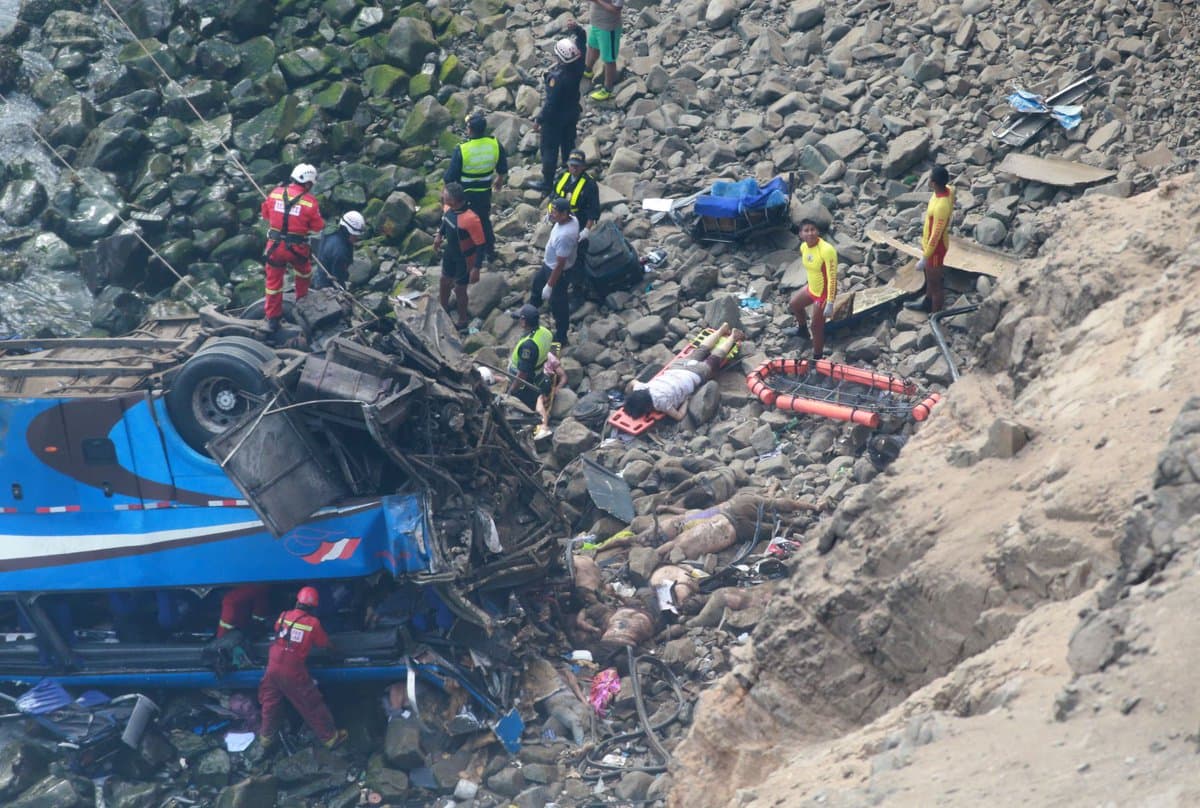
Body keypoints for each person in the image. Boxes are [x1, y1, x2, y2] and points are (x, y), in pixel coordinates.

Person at [258, 586, 347, 752]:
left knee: (270, 702)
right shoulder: (313, 623)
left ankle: (266, 738)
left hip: (272, 666)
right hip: (292, 672)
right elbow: (324, 644)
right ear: (314, 607)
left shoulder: (283, 615)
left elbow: (279, 632)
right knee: (311, 704)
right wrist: (336, 651)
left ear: (298, 601)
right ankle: (330, 738)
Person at [623, 324, 742, 421]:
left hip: (692, 375)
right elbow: (632, 382)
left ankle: (733, 336)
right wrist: (628, 390)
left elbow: (679, 416)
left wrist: (686, 401)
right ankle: (722, 329)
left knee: (714, 359)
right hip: (677, 367)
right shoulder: (641, 387)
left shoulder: (661, 404)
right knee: (701, 350)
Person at [261, 163, 325, 331]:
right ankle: (302, 307)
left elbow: (266, 215)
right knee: (304, 275)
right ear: (308, 183)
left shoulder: (274, 193)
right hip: (297, 248)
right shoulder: (310, 203)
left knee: (273, 283)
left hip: (274, 246)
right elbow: (318, 226)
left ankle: (272, 319)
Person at [443, 114, 507, 267]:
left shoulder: (462, 149)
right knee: (483, 221)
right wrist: (499, 180)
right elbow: (502, 167)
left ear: (470, 130)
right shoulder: (494, 144)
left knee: (462, 222)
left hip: (464, 193)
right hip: (484, 191)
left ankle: (465, 253)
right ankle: (489, 251)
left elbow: (450, 177)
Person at [433, 182, 485, 331]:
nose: (442, 196)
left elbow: (481, 244)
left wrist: (476, 268)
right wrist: (439, 236)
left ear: (454, 201)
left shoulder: (470, 219)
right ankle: (443, 307)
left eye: (445, 195)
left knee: (460, 289)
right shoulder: (448, 208)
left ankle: (463, 319)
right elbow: (445, 221)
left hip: (464, 258)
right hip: (450, 252)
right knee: (444, 280)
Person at [535, 37, 585, 193]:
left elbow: (551, 103)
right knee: (568, 144)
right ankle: (571, 172)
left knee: (549, 150)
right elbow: (582, 46)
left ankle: (547, 183)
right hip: (571, 114)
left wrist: (539, 119)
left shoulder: (557, 79)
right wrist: (578, 32)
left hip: (554, 120)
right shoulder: (578, 68)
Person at [528, 197, 579, 345]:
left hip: (557, 272)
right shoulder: (572, 218)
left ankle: (562, 336)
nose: (552, 214)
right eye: (552, 210)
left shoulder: (565, 236)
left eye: (555, 212)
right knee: (537, 285)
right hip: (547, 265)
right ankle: (530, 312)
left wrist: (550, 285)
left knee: (558, 304)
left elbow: (560, 264)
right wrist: (550, 216)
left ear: (564, 214)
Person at [785, 219, 838, 360]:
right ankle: (802, 331)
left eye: (812, 229)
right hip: (812, 288)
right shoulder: (804, 247)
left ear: (818, 231)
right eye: (806, 230)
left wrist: (830, 302)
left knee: (816, 326)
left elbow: (832, 278)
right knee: (794, 305)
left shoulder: (827, 250)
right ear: (800, 234)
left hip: (824, 294)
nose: (810, 233)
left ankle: (817, 357)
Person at [906, 165, 955, 313]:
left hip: (936, 249)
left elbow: (936, 234)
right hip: (930, 246)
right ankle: (927, 303)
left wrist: (925, 257)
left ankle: (935, 313)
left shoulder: (941, 206)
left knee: (935, 284)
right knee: (929, 277)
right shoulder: (948, 190)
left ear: (934, 183)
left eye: (929, 178)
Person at [507, 304, 554, 410]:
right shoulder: (545, 331)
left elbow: (522, 375)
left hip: (526, 385)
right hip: (539, 375)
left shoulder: (528, 346)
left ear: (524, 321)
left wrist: (511, 391)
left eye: (520, 318)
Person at [549, 150, 600, 234]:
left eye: (577, 166)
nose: (574, 169)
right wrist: (550, 213)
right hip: (558, 218)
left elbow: (593, 210)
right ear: (568, 164)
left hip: (578, 221)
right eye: (572, 165)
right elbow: (553, 195)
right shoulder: (561, 176)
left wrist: (586, 230)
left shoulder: (590, 184)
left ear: (583, 166)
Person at [313, 211, 365, 290]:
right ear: (347, 231)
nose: (357, 239)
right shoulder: (340, 252)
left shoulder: (330, 231)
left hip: (320, 277)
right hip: (327, 286)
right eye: (355, 236)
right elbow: (337, 278)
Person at [585, 0, 624, 101]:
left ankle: (608, 90)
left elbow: (616, 9)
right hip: (596, 23)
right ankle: (588, 71)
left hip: (608, 28)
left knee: (609, 59)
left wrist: (597, 1)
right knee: (592, 46)